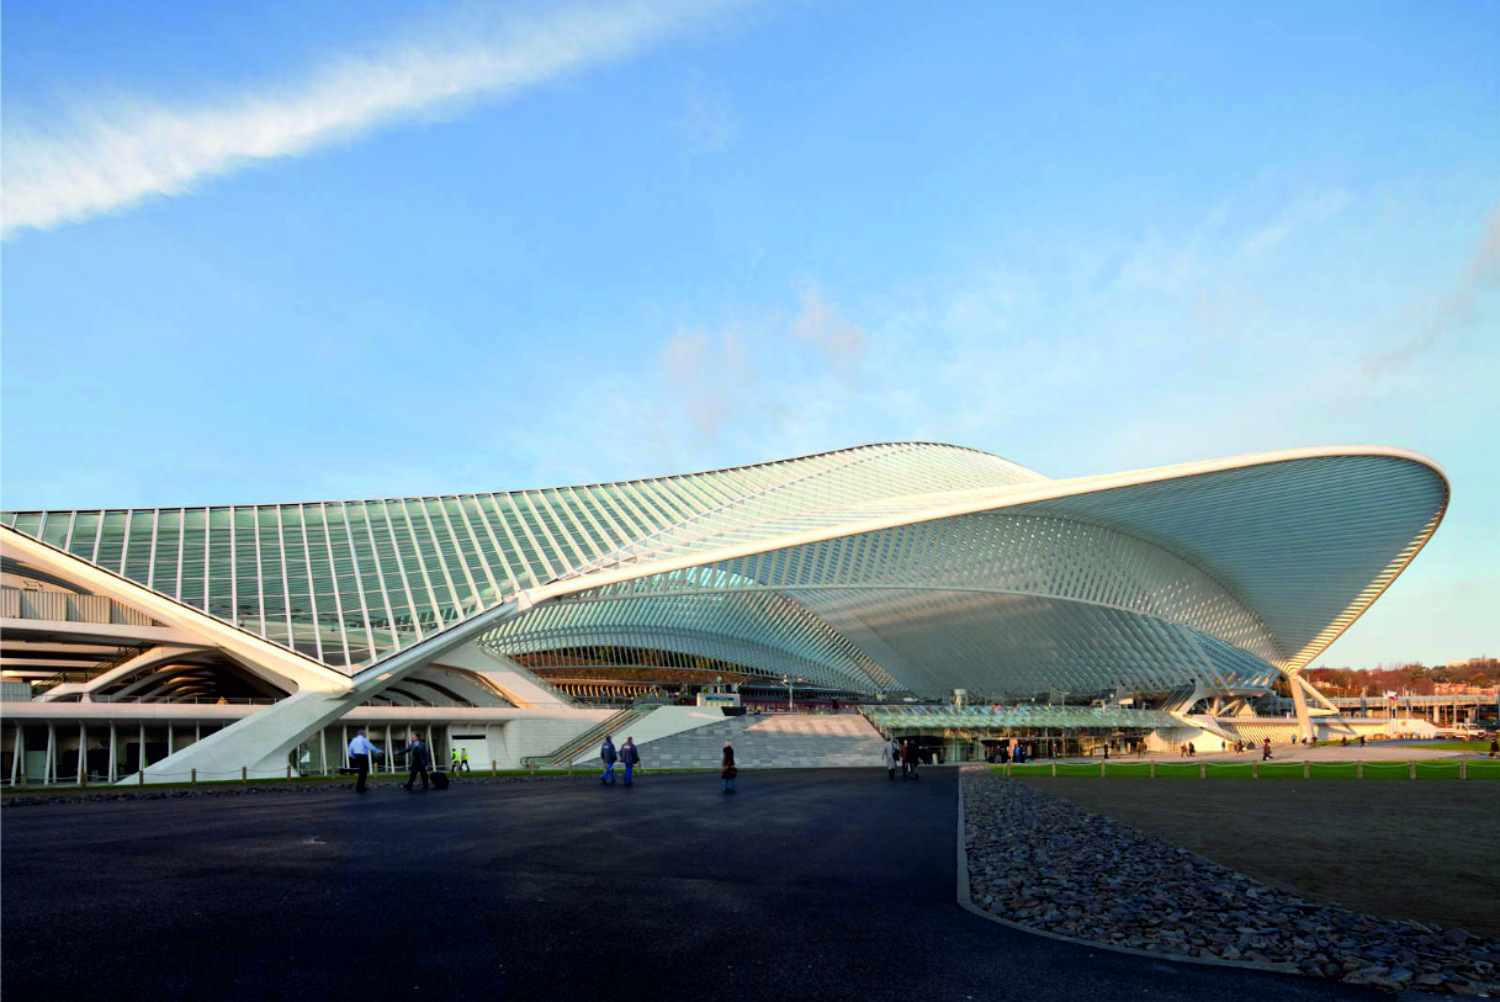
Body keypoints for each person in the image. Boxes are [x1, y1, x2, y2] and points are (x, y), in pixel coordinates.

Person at [348, 727, 382, 794]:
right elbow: (370, 746)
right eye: (365, 734)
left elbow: (350, 749)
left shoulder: (354, 740)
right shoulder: (363, 739)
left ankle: (359, 786)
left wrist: (353, 757)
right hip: (363, 756)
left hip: (356, 755)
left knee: (361, 772)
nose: (366, 735)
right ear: (363, 733)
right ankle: (361, 787)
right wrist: (379, 751)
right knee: (364, 772)